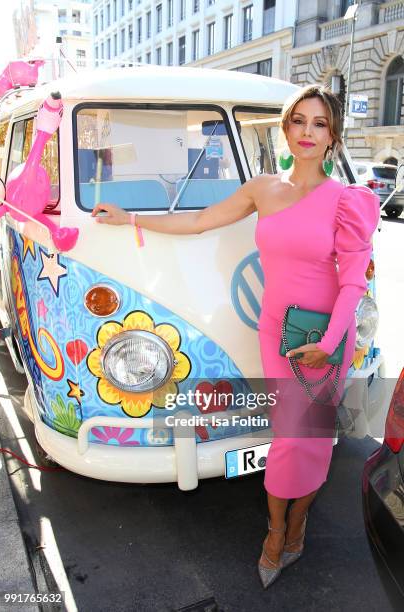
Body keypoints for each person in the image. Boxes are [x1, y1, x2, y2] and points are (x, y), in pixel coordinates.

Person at [91, 84, 380, 588]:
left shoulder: (346, 201)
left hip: (323, 337)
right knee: (289, 435)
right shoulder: (262, 188)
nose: (307, 132)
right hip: (276, 331)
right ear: (286, 128)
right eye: (299, 121)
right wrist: (132, 217)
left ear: (332, 136)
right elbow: (203, 220)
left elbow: (353, 279)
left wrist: (333, 342)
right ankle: (275, 532)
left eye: (319, 124)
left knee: (312, 439)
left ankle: (295, 526)